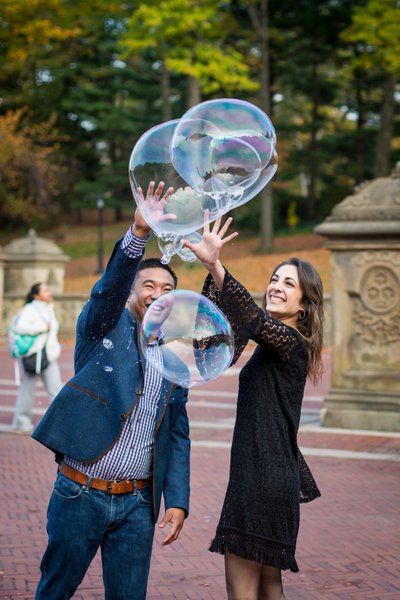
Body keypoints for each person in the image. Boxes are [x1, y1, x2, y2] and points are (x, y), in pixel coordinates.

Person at [32, 182, 190, 600]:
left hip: (138, 504)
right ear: (133, 294)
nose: (158, 295)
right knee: (55, 591)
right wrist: (138, 234)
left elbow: (177, 432)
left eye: (168, 290)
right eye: (149, 286)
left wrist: (177, 499)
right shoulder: (102, 325)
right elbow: (107, 289)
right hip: (79, 492)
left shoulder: (175, 358)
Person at [183, 215, 324, 600]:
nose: (276, 286)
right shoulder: (271, 343)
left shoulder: (291, 341)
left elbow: (250, 316)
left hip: (261, 478)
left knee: (243, 592)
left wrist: (215, 264)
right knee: (267, 587)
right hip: (269, 475)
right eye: (275, 278)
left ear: (305, 305)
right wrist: (212, 277)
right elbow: (211, 345)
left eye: (288, 284)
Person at [11, 282, 63, 434]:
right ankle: (21, 422)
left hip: (48, 355)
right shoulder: (30, 309)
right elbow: (20, 327)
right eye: (45, 290)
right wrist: (42, 328)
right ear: (36, 295)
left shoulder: (49, 309)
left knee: (56, 391)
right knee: (27, 390)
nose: (49, 292)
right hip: (34, 355)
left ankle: (61, 423)